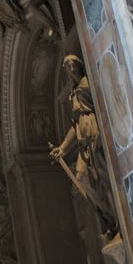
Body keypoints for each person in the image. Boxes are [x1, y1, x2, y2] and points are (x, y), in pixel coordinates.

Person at [50, 55, 117, 234]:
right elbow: (75, 123)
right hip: (83, 138)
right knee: (81, 176)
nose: (70, 70)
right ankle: (108, 214)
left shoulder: (88, 83)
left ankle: (117, 215)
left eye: (72, 66)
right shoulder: (74, 92)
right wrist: (63, 147)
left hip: (95, 132)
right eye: (66, 68)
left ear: (79, 66)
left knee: (103, 175)